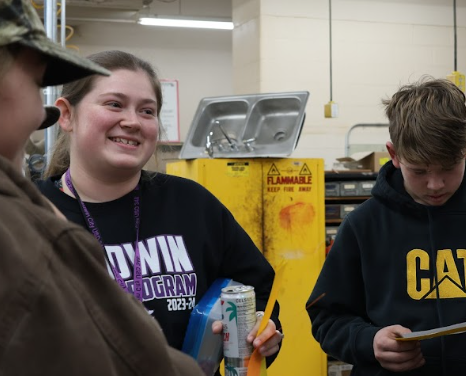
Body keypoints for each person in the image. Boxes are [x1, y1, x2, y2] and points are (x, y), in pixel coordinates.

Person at [0, 1, 205, 375]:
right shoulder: (3, 226)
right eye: (35, 83)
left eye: (147, 111)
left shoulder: (192, 202)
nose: (38, 115)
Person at [37, 49, 283, 375]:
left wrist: (265, 331)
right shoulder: (31, 211)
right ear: (67, 115)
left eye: (147, 111)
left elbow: (259, 291)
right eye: (114, 104)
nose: (132, 121)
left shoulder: (192, 204)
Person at [306, 77, 466, 375]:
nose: (435, 184)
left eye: (448, 168)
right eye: (419, 170)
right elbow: (327, 319)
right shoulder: (362, 225)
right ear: (394, 155)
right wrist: (370, 341)